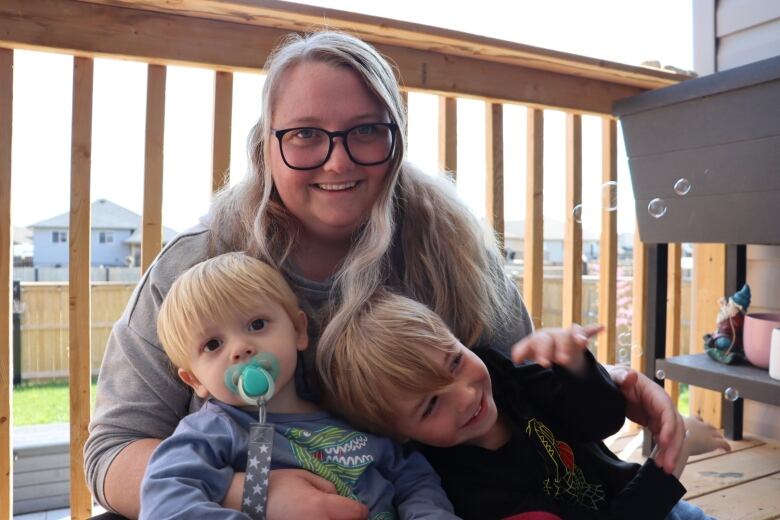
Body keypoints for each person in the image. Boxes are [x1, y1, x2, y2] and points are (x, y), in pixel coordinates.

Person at [85, 30, 687, 519]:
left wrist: (611, 380)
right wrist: (257, 495)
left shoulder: (452, 248)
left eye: (367, 130)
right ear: (264, 148)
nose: (338, 159)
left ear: (397, 140)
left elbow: (515, 388)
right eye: (304, 135)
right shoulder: (196, 266)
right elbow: (112, 452)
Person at [318, 292, 728, 519]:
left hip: (657, 503)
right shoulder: (461, 488)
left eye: (456, 361)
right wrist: (667, 466)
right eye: (430, 406)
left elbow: (600, 420)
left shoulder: (502, 372)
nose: (465, 395)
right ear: (399, 432)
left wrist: (577, 368)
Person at [140, 253, 457, 519]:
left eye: (257, 324)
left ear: (298, 331)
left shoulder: (349, 413)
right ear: (195, 380)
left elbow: (414, 478)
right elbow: (165, 501)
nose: (240, 348)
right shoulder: (212, 432)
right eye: (213, 345)